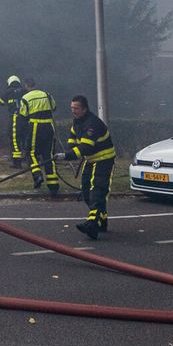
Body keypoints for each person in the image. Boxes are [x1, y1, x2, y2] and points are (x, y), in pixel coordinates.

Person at [62, 94, 116, 240]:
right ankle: (102, 220)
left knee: (97, 191)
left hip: (103, 160)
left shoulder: (92, 123)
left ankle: (92, 225)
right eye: (72, 108)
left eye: (77, 108)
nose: (74, 111)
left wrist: (68, 156)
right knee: (86, 191)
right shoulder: (77, 122)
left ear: (84, 109)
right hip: (91, 160)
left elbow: (85, 147)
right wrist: (66, 153)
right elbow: (72, 141)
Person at [17, 78, 58, 196]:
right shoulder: (47, 95)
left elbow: (23, 115)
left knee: (31, 152)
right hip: (49, 127)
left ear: (26, 86)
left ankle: (37, 175)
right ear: (35, 85)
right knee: (48, 155)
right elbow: (54, 108)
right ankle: (53, 184)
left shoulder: (25, 98)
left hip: (35, 127)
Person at [0, 75, 25, 168]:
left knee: (15, 139)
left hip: (15, 118)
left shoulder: (8, 92)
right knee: (25, 138)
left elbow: (0, 102)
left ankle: (17, 163)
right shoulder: (24, 91)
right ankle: (30, 160)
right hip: (25, 118)